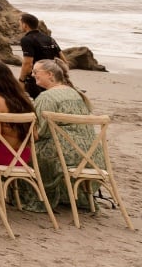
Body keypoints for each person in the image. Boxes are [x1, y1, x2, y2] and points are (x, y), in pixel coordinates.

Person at [32, 58, 98, 210]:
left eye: (36, 72)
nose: (32, 74)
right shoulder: (76, 93)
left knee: (25, 153)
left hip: (63, 155)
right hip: (91, 154)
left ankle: (39, 196)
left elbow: (41, 133)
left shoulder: (46, 97)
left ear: (49, 74)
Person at [18, 13, 63, 99]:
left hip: (36, 78)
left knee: (36, 103)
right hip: (51, 78)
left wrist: (21, 80)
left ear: (25, 25)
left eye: (20, 23)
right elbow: (62, 60)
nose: (19, 25)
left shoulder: (26, 40)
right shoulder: (49, 38)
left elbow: (28, 63)